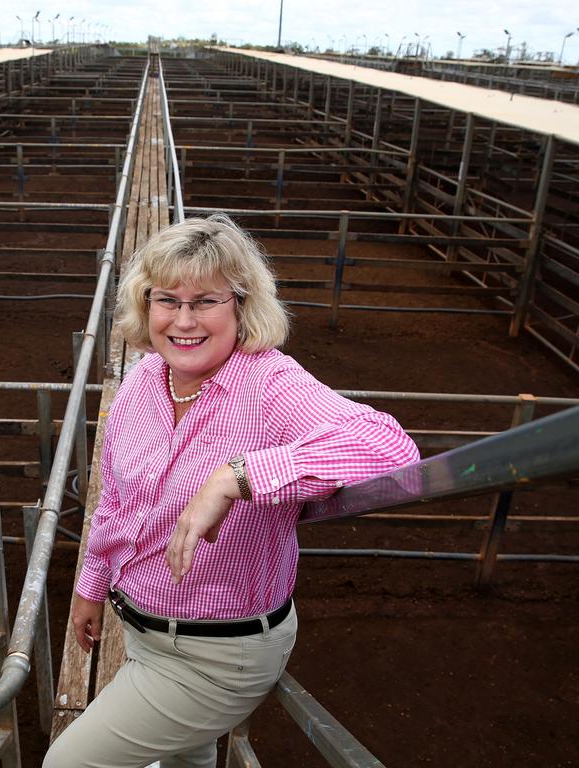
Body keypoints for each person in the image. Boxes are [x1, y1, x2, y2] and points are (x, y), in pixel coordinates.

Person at [43, 215, 419, 768]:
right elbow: (116, 504)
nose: (184, 320)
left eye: (206, 301)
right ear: (145, 305)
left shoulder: (269, 384)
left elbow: (391, 450)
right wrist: (91, 587)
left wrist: (235, 478)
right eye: (167, 299)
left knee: (68, 764)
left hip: (217, 654)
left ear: (242, 306)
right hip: (146, 633)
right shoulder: (145, 380)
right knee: (185, 757)